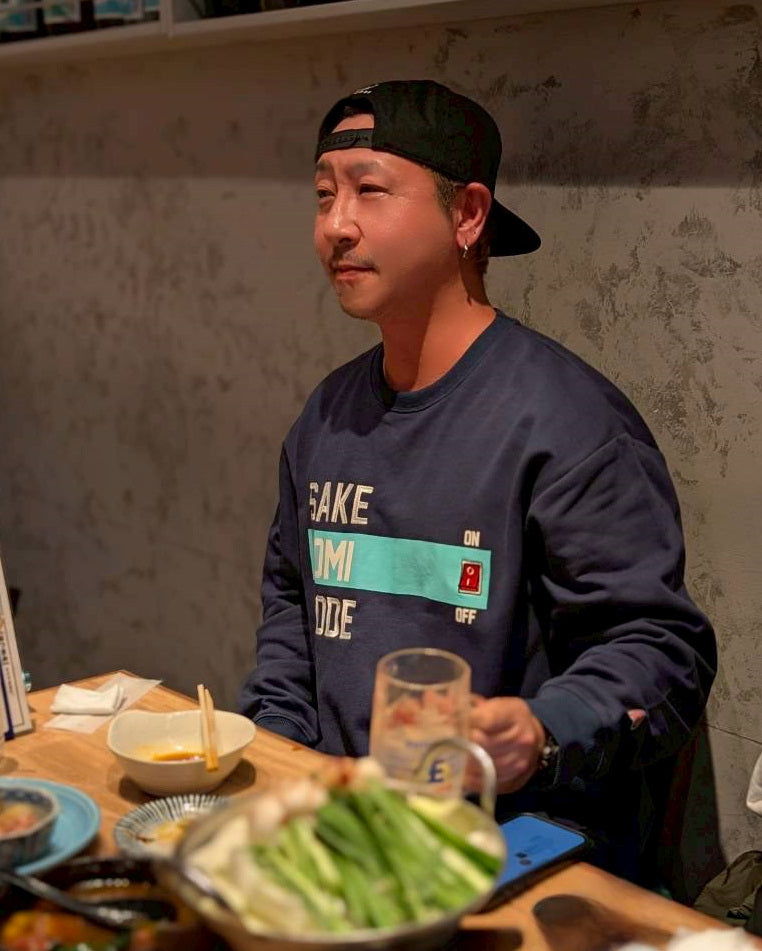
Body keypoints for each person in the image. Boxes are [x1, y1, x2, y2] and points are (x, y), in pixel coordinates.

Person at [239, 79, 717, 884]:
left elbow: (662, 651)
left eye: (369, 191)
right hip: (343, 832)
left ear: (467, 216)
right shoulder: (327, 417)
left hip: (512, 846)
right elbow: (293, 606)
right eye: (324, 195)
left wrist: (539, 729)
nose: (336, 225)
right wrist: (279, 752)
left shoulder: (566, 422)